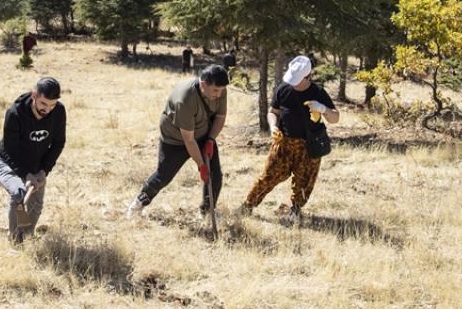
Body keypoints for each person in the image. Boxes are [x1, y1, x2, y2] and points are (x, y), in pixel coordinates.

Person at [239, 55, 338, 223]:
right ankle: (247, 205)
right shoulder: (283, 89)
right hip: (283, 143)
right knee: (268, 176)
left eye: (298, 80)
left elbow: (335, 118)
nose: (293, 83)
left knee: (303, 182)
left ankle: (296, 210)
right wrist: (273, 127)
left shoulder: (318, 93)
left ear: (309, 76)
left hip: (308, 146)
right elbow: (273, 112)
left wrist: (322, 109)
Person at [126, 64, 228, 219]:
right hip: (175, 139)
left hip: (203, 135)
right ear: (203, 85)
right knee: (163, 176)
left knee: (215, 175)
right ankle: (138, 204)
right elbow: (188, 139)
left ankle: (206, 211)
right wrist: (201, 166)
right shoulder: (185, 98)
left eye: (221, 90)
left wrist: (210, 139)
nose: (219, 94)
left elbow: (220, 117)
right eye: (215, 90)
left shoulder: (219, 90)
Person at [0, 77, 66, 242]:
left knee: (35, 205)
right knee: (19, 195)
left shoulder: (59, 111)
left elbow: (58, 143)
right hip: (10, 162)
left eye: (52, 104)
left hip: (37, 164)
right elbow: (9, 149)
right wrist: (26, 175)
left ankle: (26, 236)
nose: (47, 109)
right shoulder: (15, 113)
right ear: (34, 95)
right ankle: (15, 240)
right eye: (43, 104)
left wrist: (43, 171)